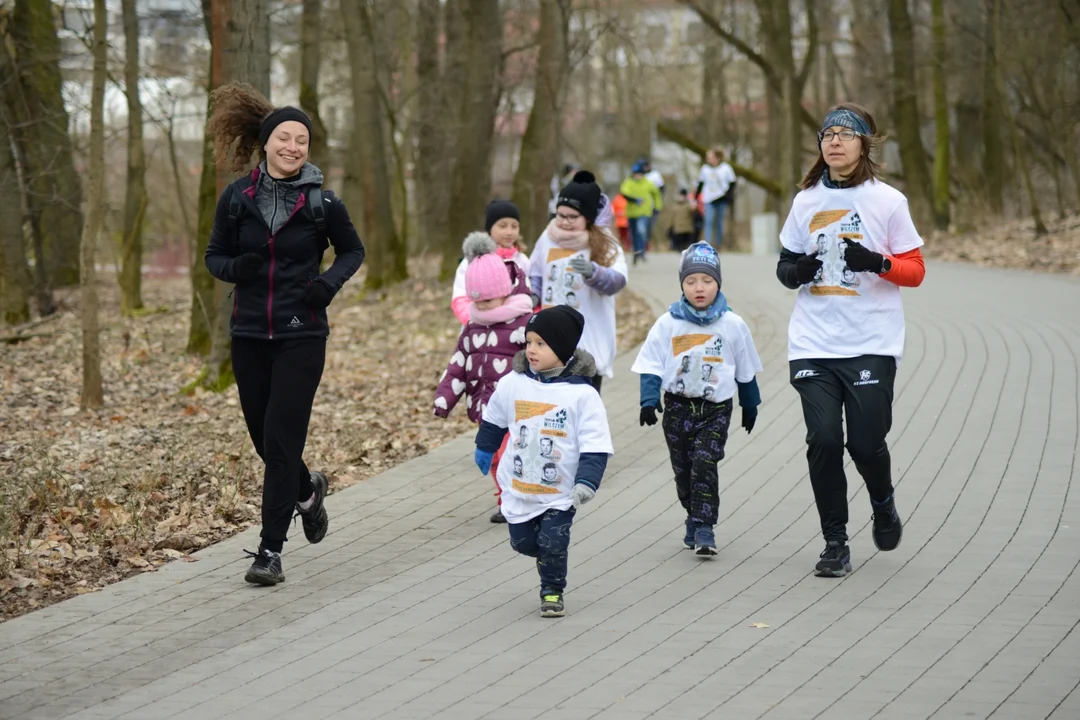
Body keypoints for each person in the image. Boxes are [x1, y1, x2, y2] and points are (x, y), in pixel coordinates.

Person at [203, 84, 365, 586]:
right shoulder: (237, 198)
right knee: (264, 440)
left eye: (302, 140)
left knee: (280, 439)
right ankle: (307, 491)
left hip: (301, 334)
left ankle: (270, 552)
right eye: (285, 138)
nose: (293, 147)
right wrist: (239, 267)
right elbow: (213, 258)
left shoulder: (323, 201)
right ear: (267, 142)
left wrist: (325, 286)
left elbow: (352, 252)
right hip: (249, 332)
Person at [776, 103, 926, 578]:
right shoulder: (805, 203)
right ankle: (835, 542)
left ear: (865, 143)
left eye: (845, 134)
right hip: (813, 343)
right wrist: (796, 271)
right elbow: (784, 268)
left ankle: (883, 502)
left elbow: (915, 271)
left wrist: (877, 263)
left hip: (871, 342)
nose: (834, 141)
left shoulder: (888, 202)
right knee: (822, 440)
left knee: (865, 443)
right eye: (826, 135)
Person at [474, 306, 613, 617]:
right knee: (522, 543)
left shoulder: (582, 396)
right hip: (519, 486)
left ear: (562, 348)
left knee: (553, 541)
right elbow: (494, 418)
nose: (531, 350)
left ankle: (552, 590)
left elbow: (595, 444)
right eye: (529, 342)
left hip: (559, 492)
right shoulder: (514, 382)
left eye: (541, 344)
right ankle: (548, 556)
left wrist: (587, 481)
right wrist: (485, 447)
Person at [632, 242, 762, 556]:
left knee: (704, 463)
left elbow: (745, 367)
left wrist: (750, 404)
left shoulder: (732, 324)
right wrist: (648, 400)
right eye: (691, 282)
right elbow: (650, 362)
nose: (699, 288)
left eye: (706, 280)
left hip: (715, 408)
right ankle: (692, 513)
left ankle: (705, 526)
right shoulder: (668, 323)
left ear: (718, 283)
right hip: (677, 406)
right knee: (684, 469)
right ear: (682, 285)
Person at [434, 233, 533, 524]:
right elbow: (458, 365)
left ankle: (513, 501)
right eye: (478, 300)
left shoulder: (523, 324)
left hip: (517, 408)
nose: (485, 306)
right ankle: (507, 498)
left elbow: (540, 359)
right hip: (485, 408)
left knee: (508, 455)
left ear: (505, 291)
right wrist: (445, 398)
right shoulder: (473, 328)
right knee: (491, 457)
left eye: (489, 299)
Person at [530, 171, 629, 393]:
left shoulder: (605, 243)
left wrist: (596, 274)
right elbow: (535, 272)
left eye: (572, 217)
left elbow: (619, 280)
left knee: (582, 408)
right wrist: (534, 294)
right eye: (560, 215)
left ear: (587, 217)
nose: (564, 222)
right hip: (550, 340)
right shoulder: (547, 237)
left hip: (588, 339)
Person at [450, 200, 529, 325]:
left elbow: (530, 293)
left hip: (515, 330)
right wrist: (473, 321)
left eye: (514, 226)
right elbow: (460, 297)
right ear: (489, 229)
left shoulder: (522, 260)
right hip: (478, 328)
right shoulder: (473, 261)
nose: (509, 232)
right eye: (502, 226)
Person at [620, 162, 663, 264]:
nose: (638, 176)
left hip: (644, 212)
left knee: (641, 231)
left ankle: (641, 251)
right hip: (631, 212)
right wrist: (634, 200)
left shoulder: (648, 183)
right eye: (636, 174)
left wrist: (657, 206)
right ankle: (636, 251)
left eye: (640, 174)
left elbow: (656, 194)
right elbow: (624, 192)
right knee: (633, 234)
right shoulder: (629, 182)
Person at [695, 146, 737, 250]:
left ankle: (718, 245)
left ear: (717, 157)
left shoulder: (726, 168)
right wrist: (696, 197)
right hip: (708, 198)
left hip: (721, 198)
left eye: (710, 157)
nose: (708, 159)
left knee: (719, 223)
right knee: (708, 221)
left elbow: (732, 183)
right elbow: (700, 184)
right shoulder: (705, 169)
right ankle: (708, 245)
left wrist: (728, 196)